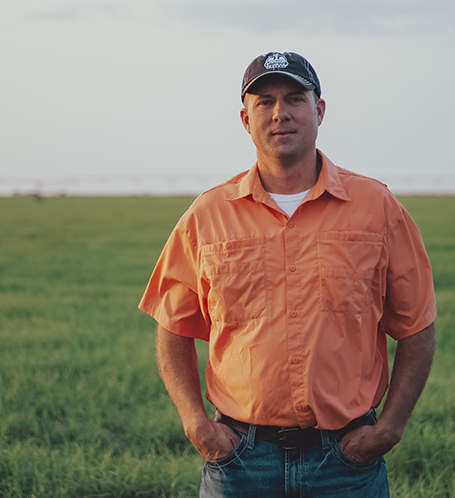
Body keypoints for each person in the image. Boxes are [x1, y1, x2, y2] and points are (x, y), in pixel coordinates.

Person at [139, 51, 436, 497]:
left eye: (294, 98)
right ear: (245, 118)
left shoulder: (377, 207)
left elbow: (417, 324)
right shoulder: (208, 215)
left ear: (318, 110)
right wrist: (195, 423)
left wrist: (389, 428)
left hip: (346, 460)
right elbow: (172, 326)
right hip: (240, 461)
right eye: (264, 102)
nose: (280, 113)